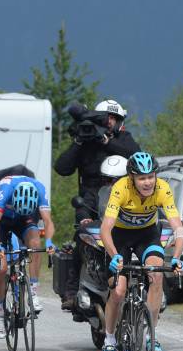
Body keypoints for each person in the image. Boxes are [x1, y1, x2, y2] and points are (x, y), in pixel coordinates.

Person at [98, 152, 183, 351]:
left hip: (147, 235)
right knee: (118, 291)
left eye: (151, 176)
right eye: (141, 178)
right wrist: (114, 255)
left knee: (156, 275)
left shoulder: (162, 188)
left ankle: (150, 335)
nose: (147, 182)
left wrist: (176, 258)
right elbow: (105, 228)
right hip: (119, 237)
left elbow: (178, 228)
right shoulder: (120, 188)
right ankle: (109, 342)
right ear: (131, 178)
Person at [54, 99, 140, 310]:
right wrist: (79, 141)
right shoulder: (86, 141)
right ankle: (72, 290)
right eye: (105, 119)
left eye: (113, 119)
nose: (109, 122)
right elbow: (62, 168)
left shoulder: (124, 140)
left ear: (120, 122)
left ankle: (137, 280)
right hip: (91, 199)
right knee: (81, 235)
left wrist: (105, 141)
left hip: (122, 198)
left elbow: (136, 156)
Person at [0, 175, 56, 338]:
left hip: (25, 218)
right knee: (2, 267)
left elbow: (47, 221)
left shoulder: (40, 190)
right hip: (2, 219)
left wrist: (49, 241)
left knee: (35, 245)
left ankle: (33, 292)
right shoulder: (6, 190)